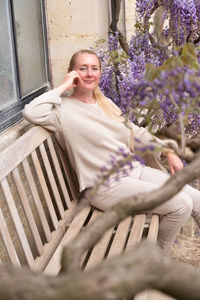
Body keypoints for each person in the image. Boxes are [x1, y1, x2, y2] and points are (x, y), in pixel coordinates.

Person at [22, 49, 200, 254]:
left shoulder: (106, 104)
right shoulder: (61, 111)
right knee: (180, 204)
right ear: (72, 73)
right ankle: (155, 263)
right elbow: (31, 111)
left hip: (135, 172)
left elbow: (135, 133)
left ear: (100, 73)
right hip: (105, 186)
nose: (89, 73)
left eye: (94, 68)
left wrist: (167, 150)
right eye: (83, 68)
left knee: (196, 199)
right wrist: (63, 86)